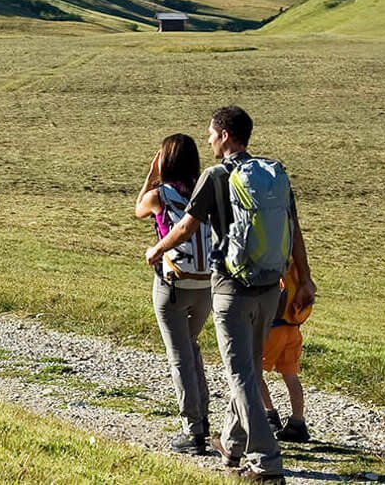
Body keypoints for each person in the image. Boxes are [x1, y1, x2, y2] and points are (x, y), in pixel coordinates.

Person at [146, 106, 315, 482]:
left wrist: (157, 251)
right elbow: (294, 228)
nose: (207, 139)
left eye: (211, 133)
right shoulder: (272, 176)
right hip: (271, 287)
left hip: (231, 289)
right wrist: (305, 278)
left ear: (225, 136)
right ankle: (233, 444)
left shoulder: (215, 176)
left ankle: (266, 464)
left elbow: (187, 227)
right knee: (251, 368)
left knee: (240, 375)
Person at [134, 133, 218, 455]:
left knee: (179, 355)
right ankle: (204, 421)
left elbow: (138, 209)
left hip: (173, 283)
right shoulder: (205, 191)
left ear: (164, 160)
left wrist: (151, 173)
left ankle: (193, 429)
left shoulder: (159, 195)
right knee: (190, 346)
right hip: (205, 284)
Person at [260, 256, 312, 443]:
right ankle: (298, 423)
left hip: (274, 327)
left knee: (253, 371)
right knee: (291, 376)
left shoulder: (279, 261)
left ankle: (269, 415)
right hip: (293, 328)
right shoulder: (301, 270)